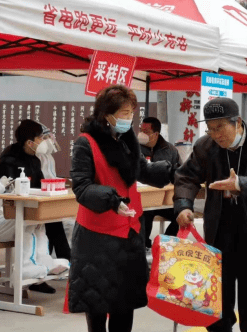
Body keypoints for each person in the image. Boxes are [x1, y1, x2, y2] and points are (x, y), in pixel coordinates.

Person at [174, 97, 247, 332]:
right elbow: (187, 177)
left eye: (220, 128)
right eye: (211, 129)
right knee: (216, 313)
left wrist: (241, 184)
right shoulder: (205, 147)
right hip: (220, 238)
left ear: (238, 123)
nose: (216, 135)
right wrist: (184, 205)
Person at [69, 85, 173, 332]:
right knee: (97, 307)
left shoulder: (126, 140)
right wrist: (112, 200)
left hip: (129, 233)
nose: (129, 118)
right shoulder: (86, 143)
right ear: (107, 114)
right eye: (124, 113)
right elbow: (81, 187)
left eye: (131, 113)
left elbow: (143, 170)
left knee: (124, 308)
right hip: (97, 236)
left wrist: (174, 171)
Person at [0, 119, 71, 294]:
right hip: (10, 211)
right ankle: (62, 263)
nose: (42, 142)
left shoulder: (35, 159)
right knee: (50, 222)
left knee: (52, 219)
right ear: (30, 142)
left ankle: (47, 268)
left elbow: (38, 185)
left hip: (31, 207)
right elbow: (4, 189)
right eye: (40, 138)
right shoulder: (9, 161)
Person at [138, 117, 181, 253]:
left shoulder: (170, 150)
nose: (141, 134)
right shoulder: (135, 149)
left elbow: (179, 173)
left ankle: (165, 244)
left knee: (181, 214)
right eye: (140, 130)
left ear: (155, 134)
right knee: (145, 214)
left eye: (145, 131)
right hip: (144, 199)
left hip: (165, 199)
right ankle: (144, 246)